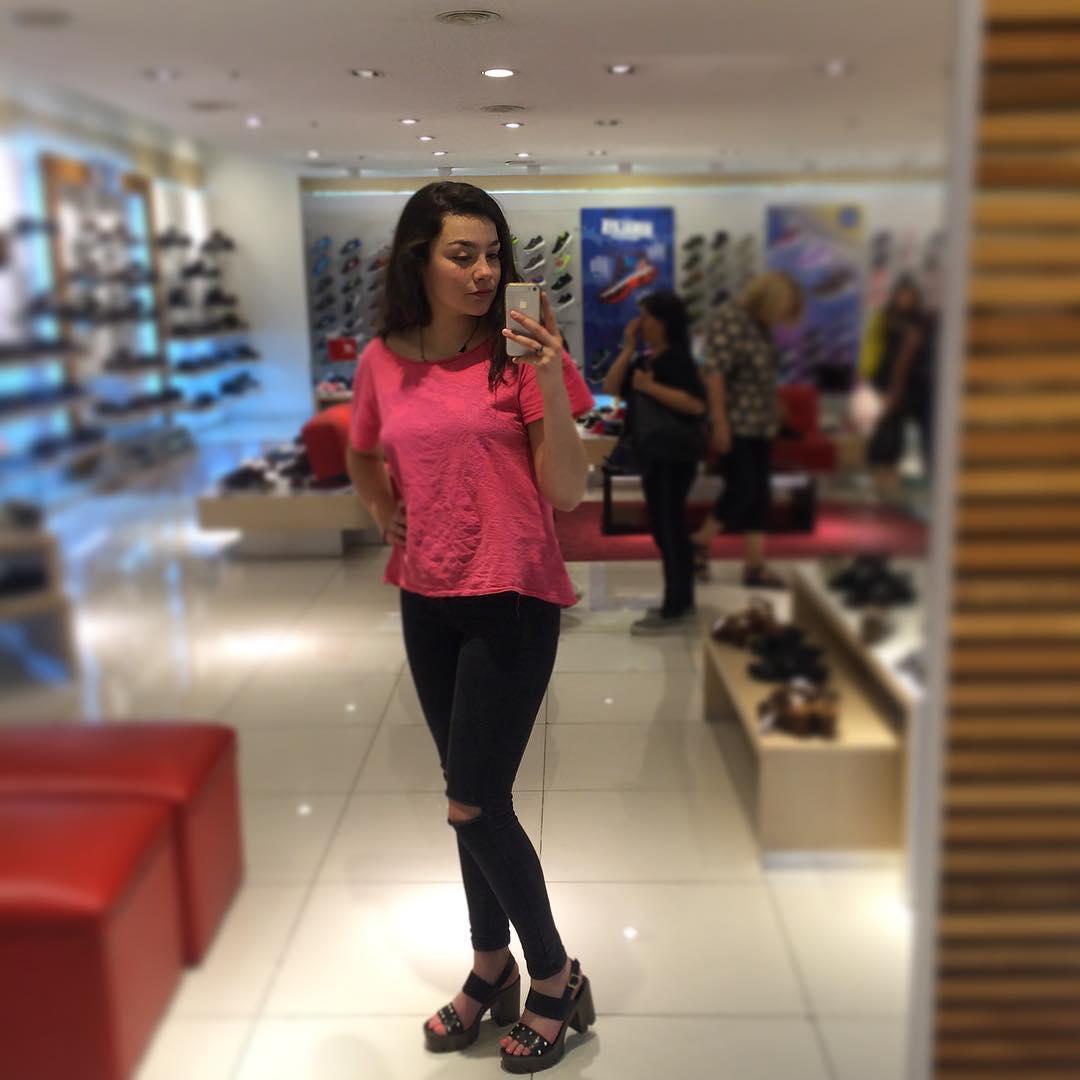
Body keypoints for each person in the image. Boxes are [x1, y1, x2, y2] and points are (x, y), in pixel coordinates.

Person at [346, 182, 596, 1073]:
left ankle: (556, 976)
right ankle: (491, 967)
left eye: (494, 253)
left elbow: (566, 491)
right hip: (427, 594)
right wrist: (382, 510)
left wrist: (549, 379)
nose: (485, 271)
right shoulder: (383, 359)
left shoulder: (520, 356)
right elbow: (362, 448)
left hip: (513, 594)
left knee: (474, 802)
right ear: (420, 259)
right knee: (467, 799)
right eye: (463, 254)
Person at [689, 271, 805, 588]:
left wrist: (777, 406)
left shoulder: (761, 324)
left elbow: (763, 372)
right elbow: (714, 374)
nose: (782, 318)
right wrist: (719, 422)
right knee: (743, 488)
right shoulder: (731, 319)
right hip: (737, 421)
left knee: (759, 494)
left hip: (761, 423)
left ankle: (754, 565)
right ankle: (699, 541)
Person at [602, 290, 707, 634]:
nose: (640, 322)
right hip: (654, 453)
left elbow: (696, 405)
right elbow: (612, 386)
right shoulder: (646, 359)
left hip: (675, 455)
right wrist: (628, 349)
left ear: (664, 322)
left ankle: (675, 606)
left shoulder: (677, 359)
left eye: (647, 317)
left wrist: (650, 387)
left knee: (670, 527)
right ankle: (680, 600)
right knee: (665, 528)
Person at [866, 274, 935, 502]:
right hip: (891, 381)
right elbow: (879, 351)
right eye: (902, 295)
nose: (905, 299)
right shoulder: (887, 319)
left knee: (924, 431)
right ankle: (886, 478)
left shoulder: (923, 322)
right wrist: (875, 380)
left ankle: (926, 475)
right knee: (890, 431)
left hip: (918, 384)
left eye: (909, 295)